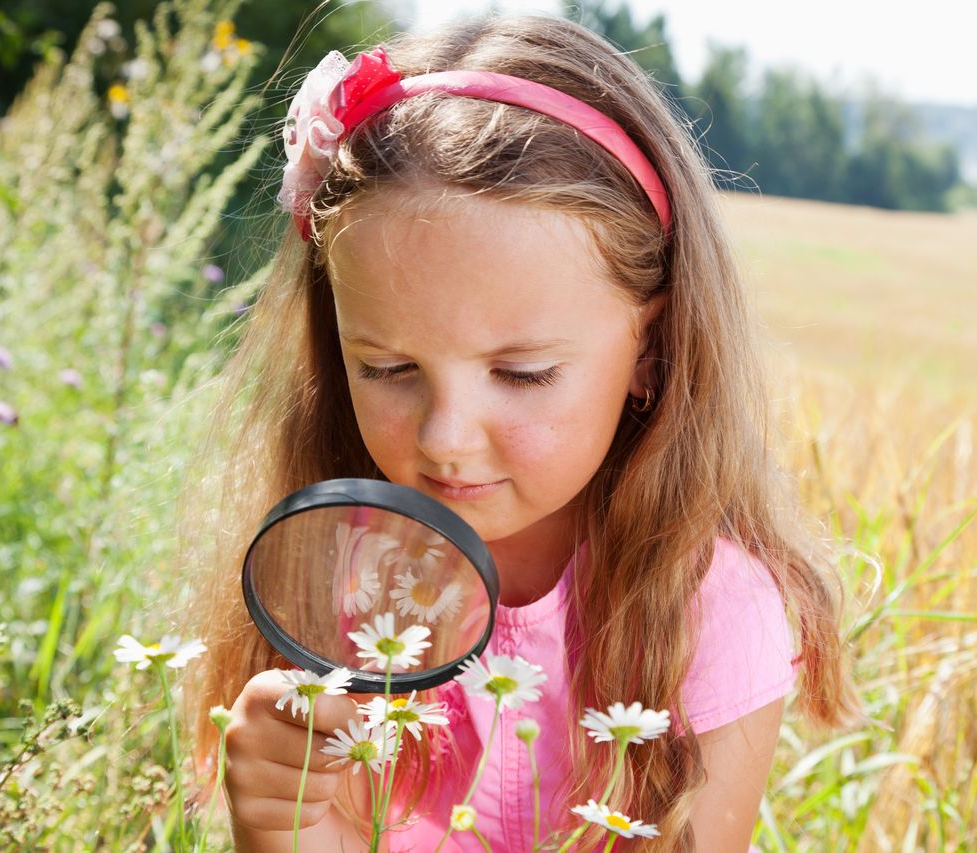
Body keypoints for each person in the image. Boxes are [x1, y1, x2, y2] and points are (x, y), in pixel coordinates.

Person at [183, 14, 857, 852]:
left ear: (649, 348)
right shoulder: (335, 574)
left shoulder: (710, 613)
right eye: (388, 368)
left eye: (523, 373)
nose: (446, 437)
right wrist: (283, 823)